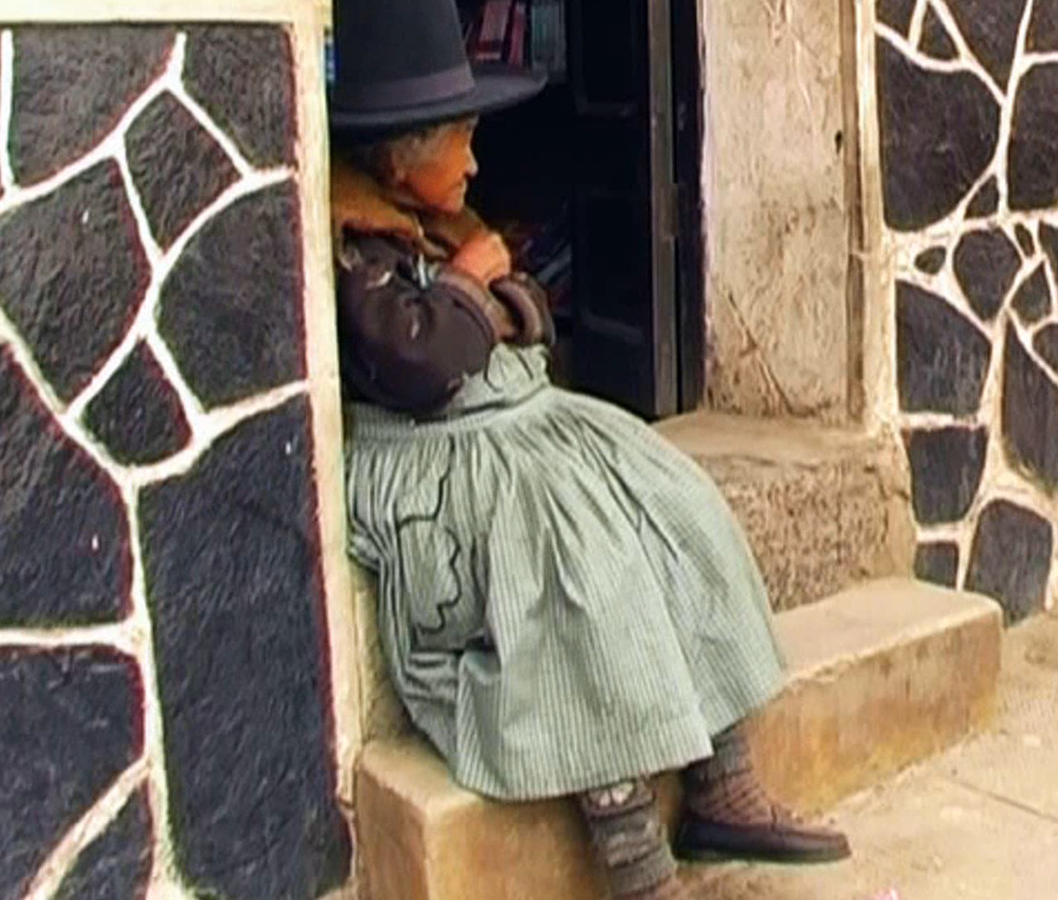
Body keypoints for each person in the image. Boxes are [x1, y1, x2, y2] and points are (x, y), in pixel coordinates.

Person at [328, 2, 850, 897]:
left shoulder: (445, 226)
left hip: (514, 425)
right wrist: (468, 292)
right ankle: (635, 864)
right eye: (461, 140)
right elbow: (416, 362)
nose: (477, 160)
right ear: (401, 153)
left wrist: (481, 297)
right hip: (440, 463)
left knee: (669, 499)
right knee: (577, 568)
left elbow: (523, 311)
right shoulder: (356, 245)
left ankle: (721, 782)